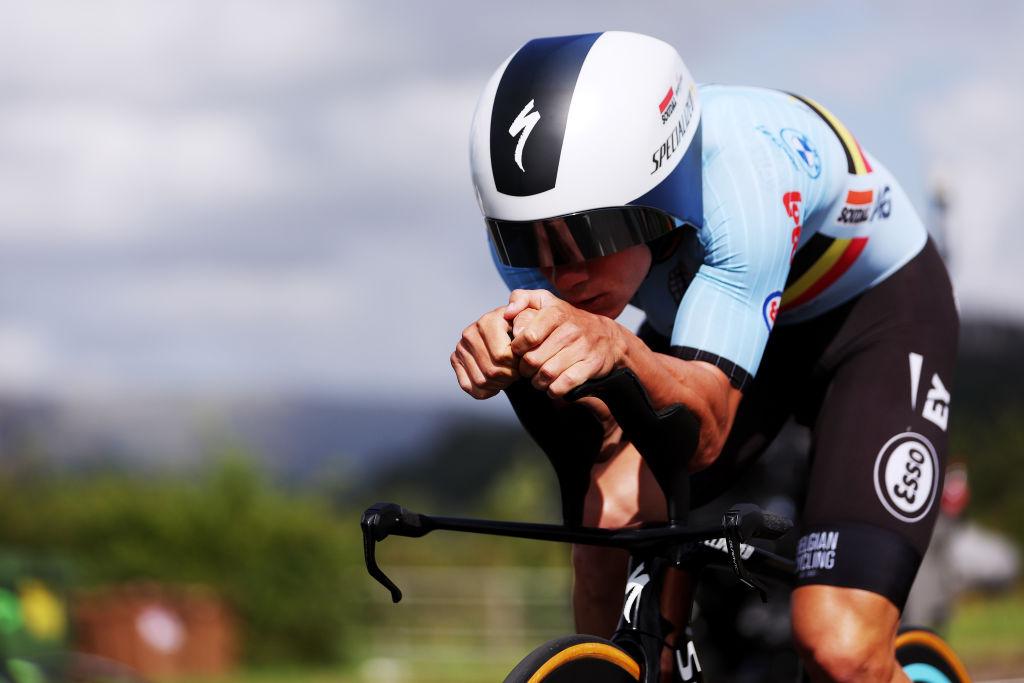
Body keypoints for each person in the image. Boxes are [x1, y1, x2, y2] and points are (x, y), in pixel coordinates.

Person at [450, 31, 958, 683]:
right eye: (525, 238)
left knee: (840, 645)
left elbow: (706, 432)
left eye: (584, 232)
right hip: (733, 318)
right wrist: (503, 345)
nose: (558, 271)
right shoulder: (541, 231)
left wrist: (617, 347)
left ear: (658, 198)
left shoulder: (743, 185)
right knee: (609, 516)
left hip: (872, 320)